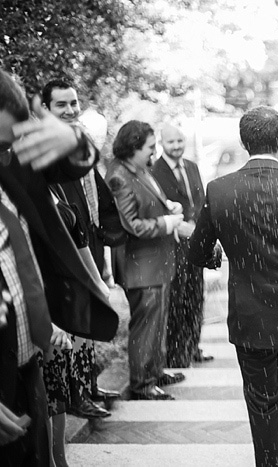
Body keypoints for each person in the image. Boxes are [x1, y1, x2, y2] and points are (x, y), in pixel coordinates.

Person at [188, 106, 278, 467]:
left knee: (261, 399)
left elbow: (196, 252)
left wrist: (223, 254)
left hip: (251, 311)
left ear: (243, 142)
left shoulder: (220, 190)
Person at [0, 69, 118, 466]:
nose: (8, 153)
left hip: (29, 353)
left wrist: (73, 138)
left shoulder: (12, 164)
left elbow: (74, 165)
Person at [41, 79, 119, 421]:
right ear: (46, 110)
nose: (71, 110)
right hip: (66, 254)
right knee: (71, 324)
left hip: (90, 242)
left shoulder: (78, 144)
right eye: (62, 105)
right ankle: (75, 394)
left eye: (74, 103)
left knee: (87, 321)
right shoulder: (49, 153)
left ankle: (89, 386)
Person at [107, 120, 187, 401]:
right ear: (133, 148)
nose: (154, 153)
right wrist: (166, 222)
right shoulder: (119, 176)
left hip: (156, 262)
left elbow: (152, 202)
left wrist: (170, 207)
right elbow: (132, 225)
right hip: (140, 265)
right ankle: (142, 383)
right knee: (145, 326)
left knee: (158, 322)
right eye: (150, 148)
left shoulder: (139, 169)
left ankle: (155, 371)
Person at [151, 123, 211, 367]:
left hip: (195, 243)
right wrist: (180, 226)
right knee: (177, 298)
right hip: (172, 245)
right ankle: (176, 354)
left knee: (196, 295)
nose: (176, 146)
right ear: (161, 144)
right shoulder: (155, 171)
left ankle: (193, 346)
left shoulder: (193, 167)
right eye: (170, 142)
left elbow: (201, 202)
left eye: (179, 141)